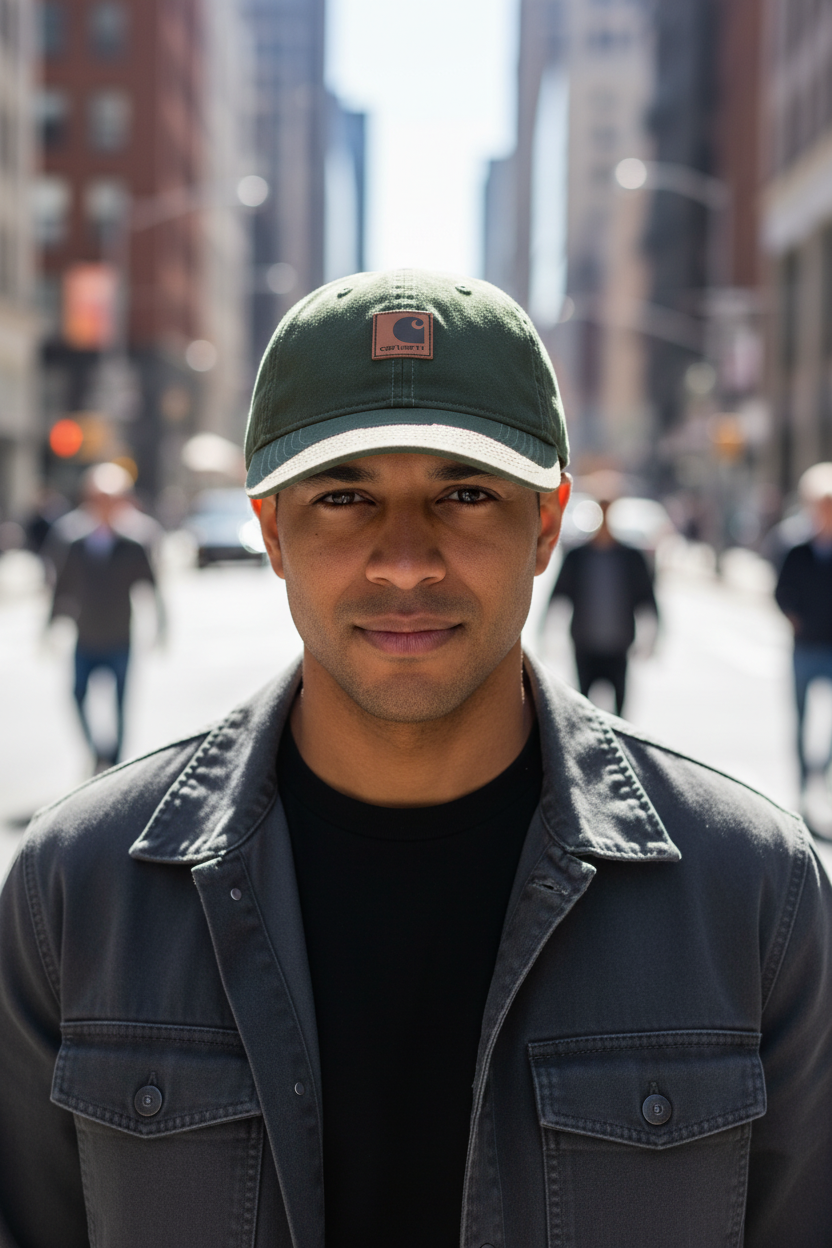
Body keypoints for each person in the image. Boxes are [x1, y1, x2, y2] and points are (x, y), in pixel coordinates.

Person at [0, 270, 830, 1248]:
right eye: (346, 496)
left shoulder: (754, 892)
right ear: (271, 530)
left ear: (546, 525)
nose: (404, 560)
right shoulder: (76, 889)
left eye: (466, 494)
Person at [47, 462, 165, 770]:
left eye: (111, 499)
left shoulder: (135, 545)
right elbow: (62, 588)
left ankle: (115, 763)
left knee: (121, 705)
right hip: (85, 635)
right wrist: (50, 625)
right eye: (98, 498)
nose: (104, 506)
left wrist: (161, 627)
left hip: (120, 637)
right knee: (77, 695)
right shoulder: (74, 543)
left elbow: (152, 589)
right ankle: (96, 752)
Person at [550, 487, 657, 715]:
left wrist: (651, 637)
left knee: (620, 712)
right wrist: (549, 635)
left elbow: (647, 598)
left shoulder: (631, 558)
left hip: (619, 645)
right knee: (583, 709)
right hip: (585, 643)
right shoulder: (578, 557)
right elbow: (558, 596)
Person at [775, 461, 832, 793]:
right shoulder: (797, 550)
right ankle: (801, 780)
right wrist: (792, 616)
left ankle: (820, 770)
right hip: (805, 645)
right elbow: (781, 591)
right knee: (800, 717)